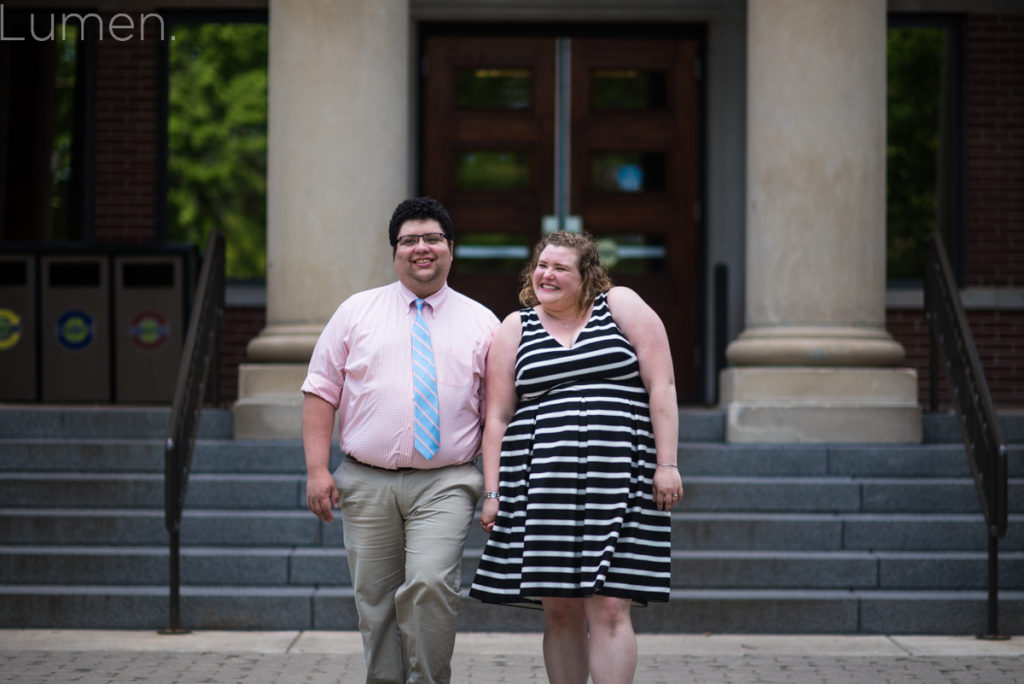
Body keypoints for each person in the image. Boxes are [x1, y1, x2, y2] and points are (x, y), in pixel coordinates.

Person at [469, 231, 683, 684]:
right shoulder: (516, 326)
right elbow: (498, 417)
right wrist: (493, 491)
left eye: (560, 267)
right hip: (541, 480)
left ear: (587, 275)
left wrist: (667, 464)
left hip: (623, 475)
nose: (546, 274)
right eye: (541, 265)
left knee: (610, 602)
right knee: (560, 606)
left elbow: (661, 385)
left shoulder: (620, 304)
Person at [302, 197, 500, 684]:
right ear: (395, 252)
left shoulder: (484, 323)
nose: (421, 248)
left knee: (432, 584)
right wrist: (316, 470)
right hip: (366, 480)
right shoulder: (356, 312)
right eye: (409, 240)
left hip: (447, 481)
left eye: (432, 238)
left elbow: (498, 413)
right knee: (375, 599)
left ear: (451, 249)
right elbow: (321, 391)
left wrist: (495, 489)